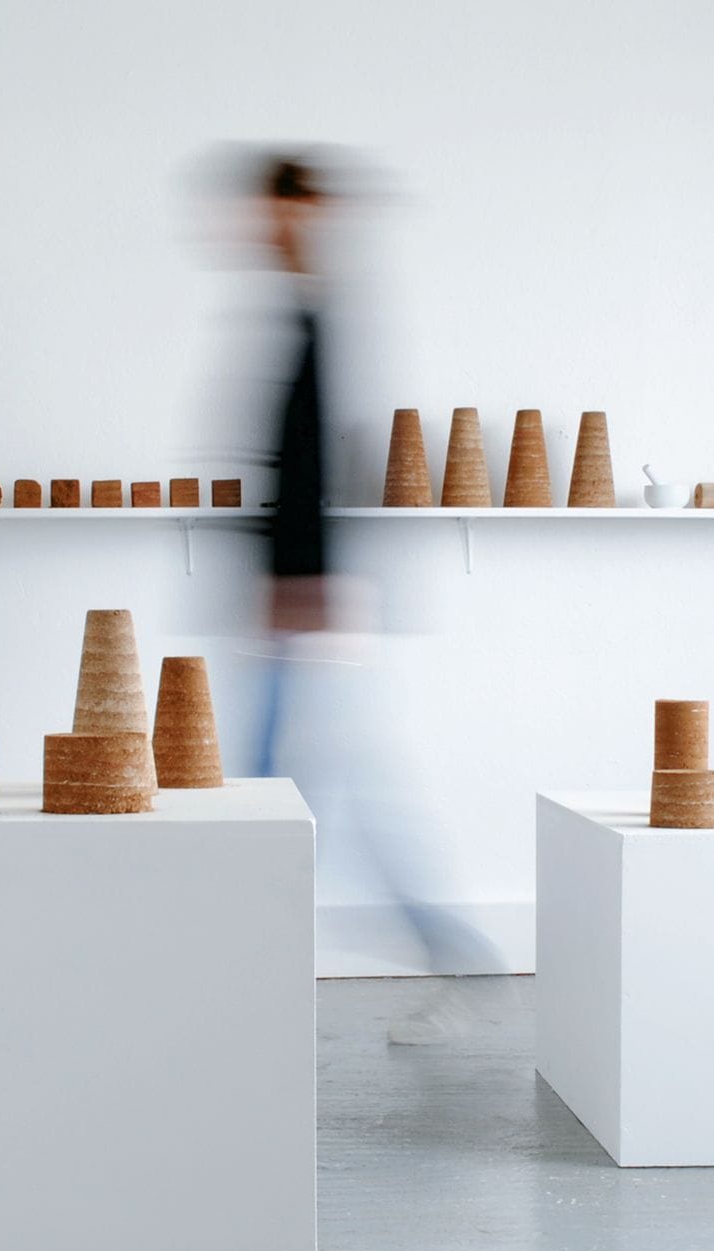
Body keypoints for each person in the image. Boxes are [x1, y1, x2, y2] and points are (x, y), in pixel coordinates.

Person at [239, 152, 497, 1043]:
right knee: (294, 792)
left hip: (315, 602)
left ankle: (450, 953)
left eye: (273, 210)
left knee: (297, 795)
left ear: (302, 210)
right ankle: (263, 969)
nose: (259, 228)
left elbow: (318, 461)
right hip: (305, 597)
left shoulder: (324, 313)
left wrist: (301, 586)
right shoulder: (304, 308)